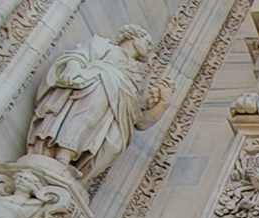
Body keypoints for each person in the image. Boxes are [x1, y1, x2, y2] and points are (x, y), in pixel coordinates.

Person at [27, 26, 167, 181]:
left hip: (117, 113)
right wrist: (74, 68)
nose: (149, 48)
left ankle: (79, 176)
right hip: (95, 89)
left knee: (114, 144)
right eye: (147, 42)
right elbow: (78, 56)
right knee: (87, 115)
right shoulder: (103, 45)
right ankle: (62, 157)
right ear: (133, 36)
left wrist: (162, 103)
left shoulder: (139, 76)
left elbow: (140, 121)